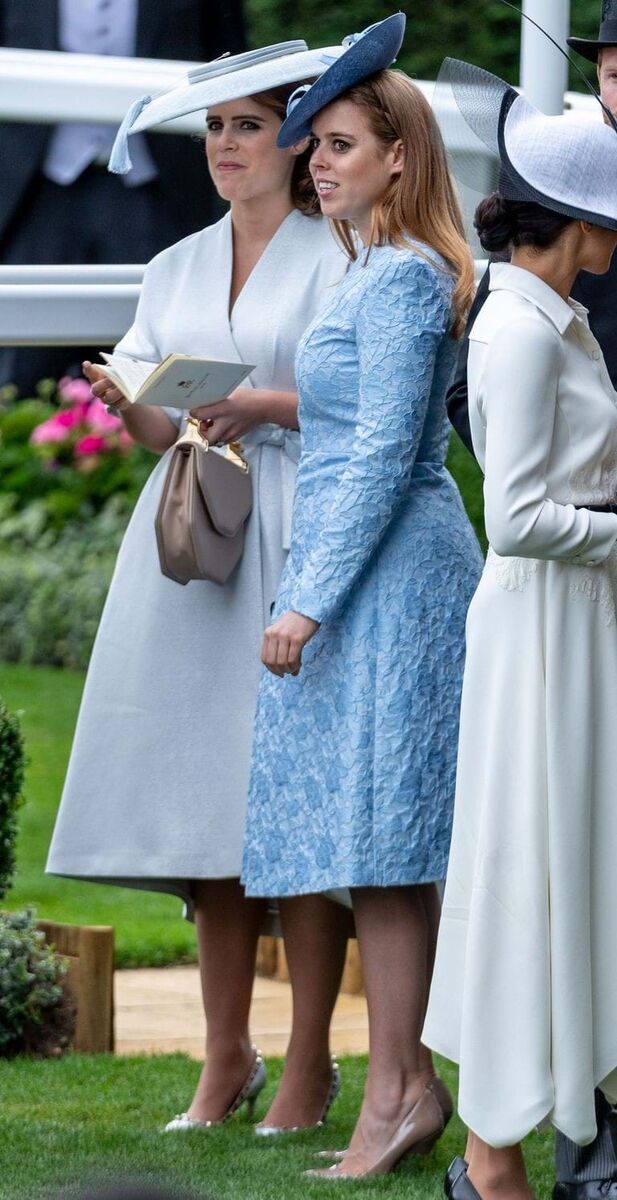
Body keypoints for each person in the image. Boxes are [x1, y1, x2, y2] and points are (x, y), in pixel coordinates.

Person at [46, 40, 353, 1136]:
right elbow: (152, 422)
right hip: (195, 539)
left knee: (297, 814)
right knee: (206, 809)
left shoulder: (340, 255)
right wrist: (124, 393)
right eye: (212, 126)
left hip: (299, 531)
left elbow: (367, 409)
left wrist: (256, 406)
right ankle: (225, 1064)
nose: (226, 144)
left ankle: (311, 1064)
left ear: (297, 133)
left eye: (247, 122)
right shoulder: (174, 263)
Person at [240, 15, 483, 1180]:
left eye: (338, 145)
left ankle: (400, 1091)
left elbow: (387, 452)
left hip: (392, 578)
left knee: (387, 845)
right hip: (362, 568)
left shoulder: (396, 278)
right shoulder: (368, 269)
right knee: (374, 846)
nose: (317, 163)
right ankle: (400, 1087)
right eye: (315, 148)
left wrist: (308, 603)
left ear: (400, 156)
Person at [421, 55, 617, 1200]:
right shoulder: (520, 330)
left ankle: (526, 1136)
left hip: (574, 623)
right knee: (527, 855)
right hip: (540, 622)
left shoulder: (558, 318)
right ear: (573, 223)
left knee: (569, 852)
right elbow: (520, 518)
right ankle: (488, 1156)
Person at [0, 0, 245, 394]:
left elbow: (228, 54)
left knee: (162, 356)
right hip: (38, 187)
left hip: (157, 185)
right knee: (24, 364)